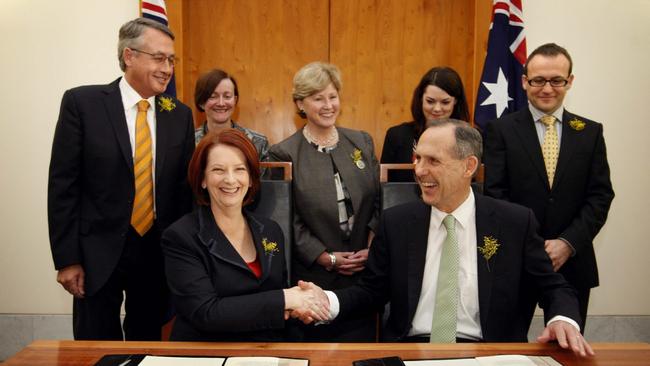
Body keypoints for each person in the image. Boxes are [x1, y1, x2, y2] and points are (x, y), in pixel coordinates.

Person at [294, 119, 594, 357]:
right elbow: (371, 292)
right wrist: (327, 301)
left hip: (489, 354)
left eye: (433, 161)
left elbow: (555, 288)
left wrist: (562, 320)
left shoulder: (513, 223)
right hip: (410, 353)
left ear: (469, 167)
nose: (419, 171)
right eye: (418, 158)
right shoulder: (397, 223)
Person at [48, 18, 195, 340]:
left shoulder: (179, 115)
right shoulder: (83, 104)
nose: (167, 68)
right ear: (129, 56)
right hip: (95, 252)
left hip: (155, 252)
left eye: (171, 60)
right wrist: (67, 259)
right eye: (159, 58)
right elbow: (63, 187)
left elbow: (184, 194)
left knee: (147, 342)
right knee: (96, 343)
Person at [483, 43, 614, 331]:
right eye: (538, 80)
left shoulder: (590, 132)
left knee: (568, 346)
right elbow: (495, 194)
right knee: (507, 344)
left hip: (574, 262)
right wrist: (531, 245)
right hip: (515, 260)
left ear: (570, 81)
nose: (547, 88)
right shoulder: (500, 130)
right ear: (524, 81)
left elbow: (600, 196)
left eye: (557, 80)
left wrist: (567, 244)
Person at [161, 129, 327, 341]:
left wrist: (300, 308)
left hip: (265, 351)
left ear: (250, 179)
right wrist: (286, 299)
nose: (230, 180)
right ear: (202, 179)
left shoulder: (271, 231)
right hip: (206, 353)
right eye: (218, 170)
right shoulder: (181, 237)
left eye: (239, 169)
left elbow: (278, 299)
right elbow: (206, 313)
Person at [269, 61, 380, 341]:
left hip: (362, 278)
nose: (328, 105)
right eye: (318, 98)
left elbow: (379, 200)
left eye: (332, 96)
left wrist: (371, 245)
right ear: (300, 104)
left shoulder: (361, 142)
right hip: (312, 281)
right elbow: (286, 219)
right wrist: (325, 257)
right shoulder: (283, 154)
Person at [380, 66, 470, 182]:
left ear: (455, 102)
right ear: (421, 99)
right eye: (430, 101)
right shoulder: (397, 135)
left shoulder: (467, 138)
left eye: (445, 102)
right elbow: (386, 188)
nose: (437, 109)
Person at [194, 68, 269, 160]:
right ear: (201, 102)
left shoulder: (257, 143)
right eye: (213, 97)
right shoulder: (189, 143)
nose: (221, 103)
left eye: (227, 96)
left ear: (235, 100)